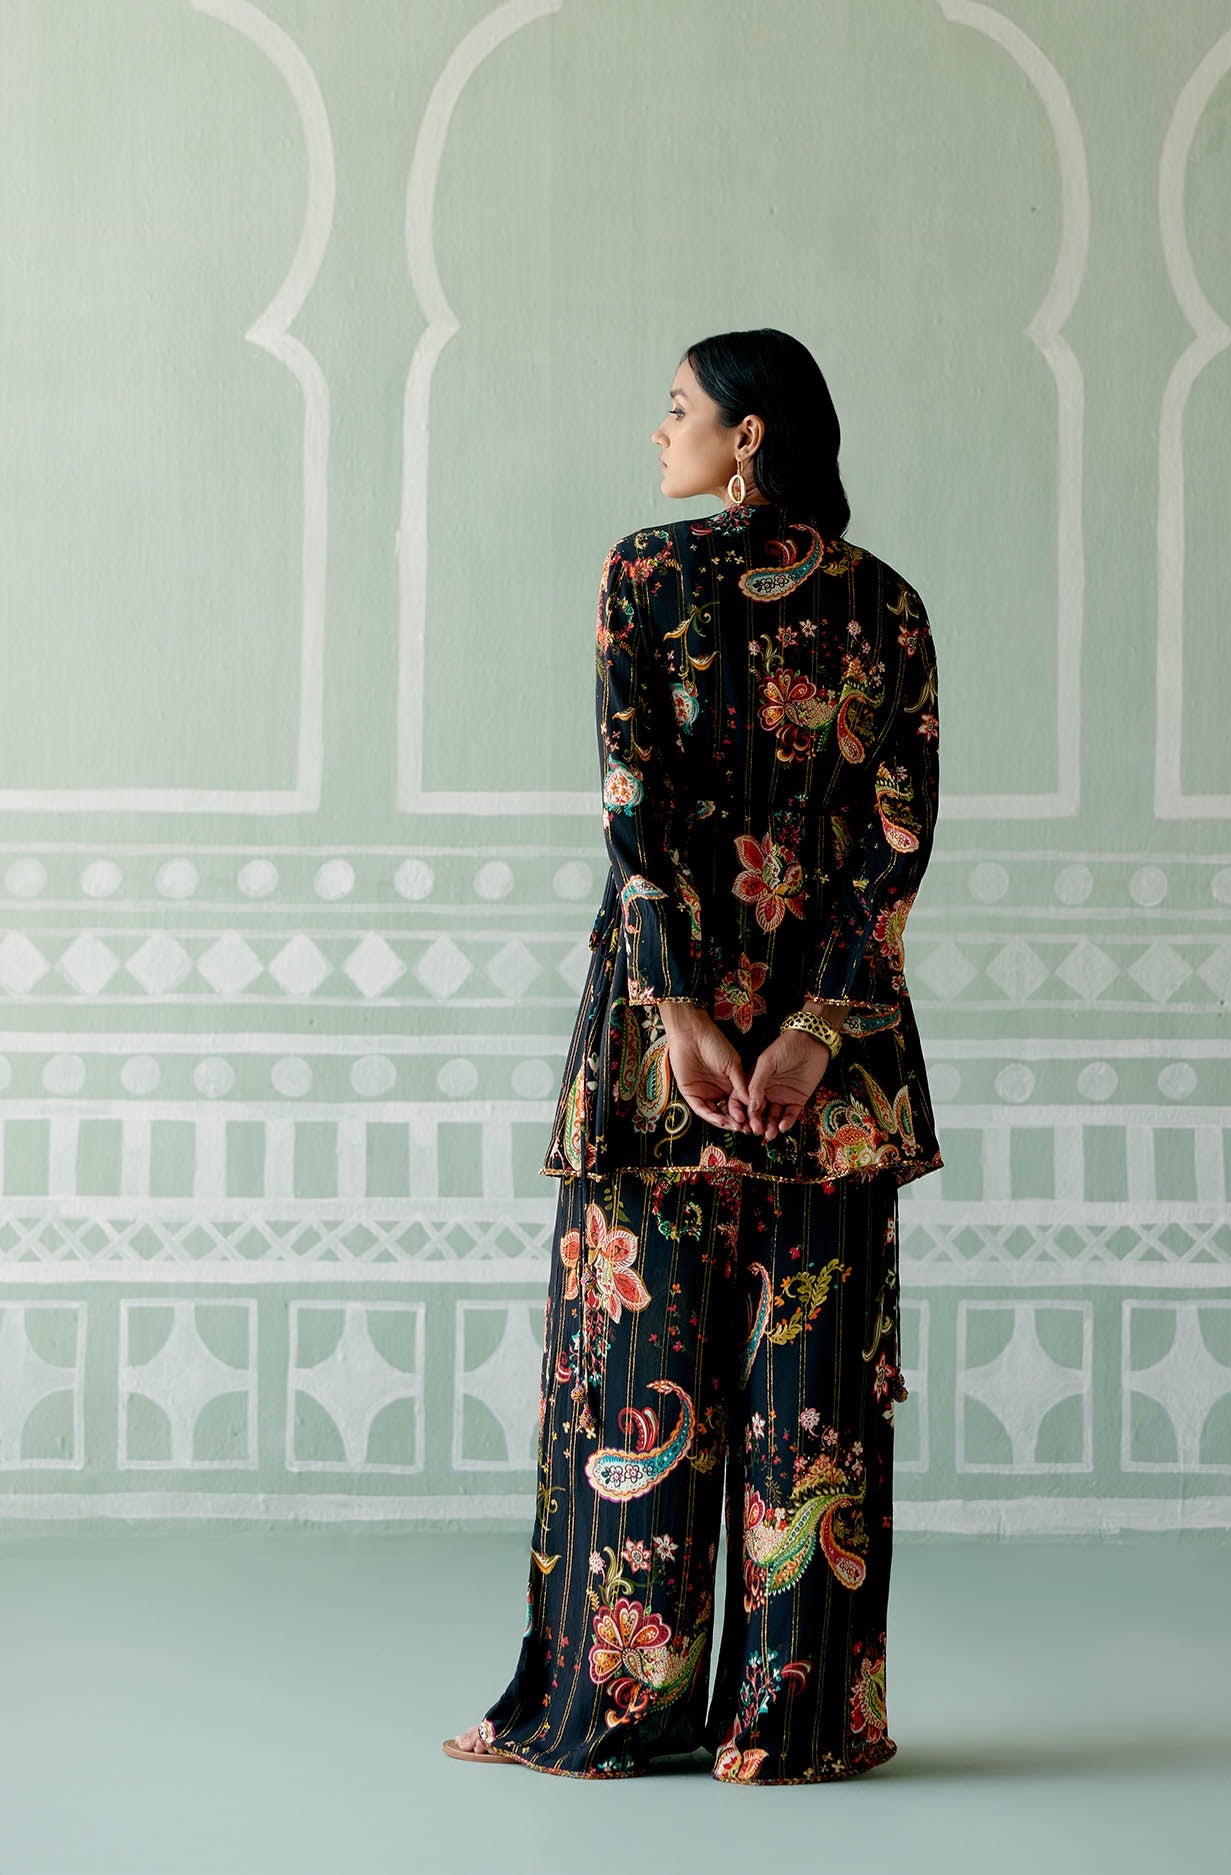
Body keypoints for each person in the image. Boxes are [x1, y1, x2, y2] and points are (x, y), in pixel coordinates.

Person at [442, 328, 942, 1783]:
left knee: (634, 1376)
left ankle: (618, 1709)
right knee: (814, 1401)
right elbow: (896, 846)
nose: (661, 435)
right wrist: (815, 1032)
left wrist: (680, 1013)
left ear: (748, 436)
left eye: (679, 411)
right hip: (832, 1062)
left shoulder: (643, 574)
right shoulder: (889, 605)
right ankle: (795, 1724)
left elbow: (634, 807)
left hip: (660, 1049)